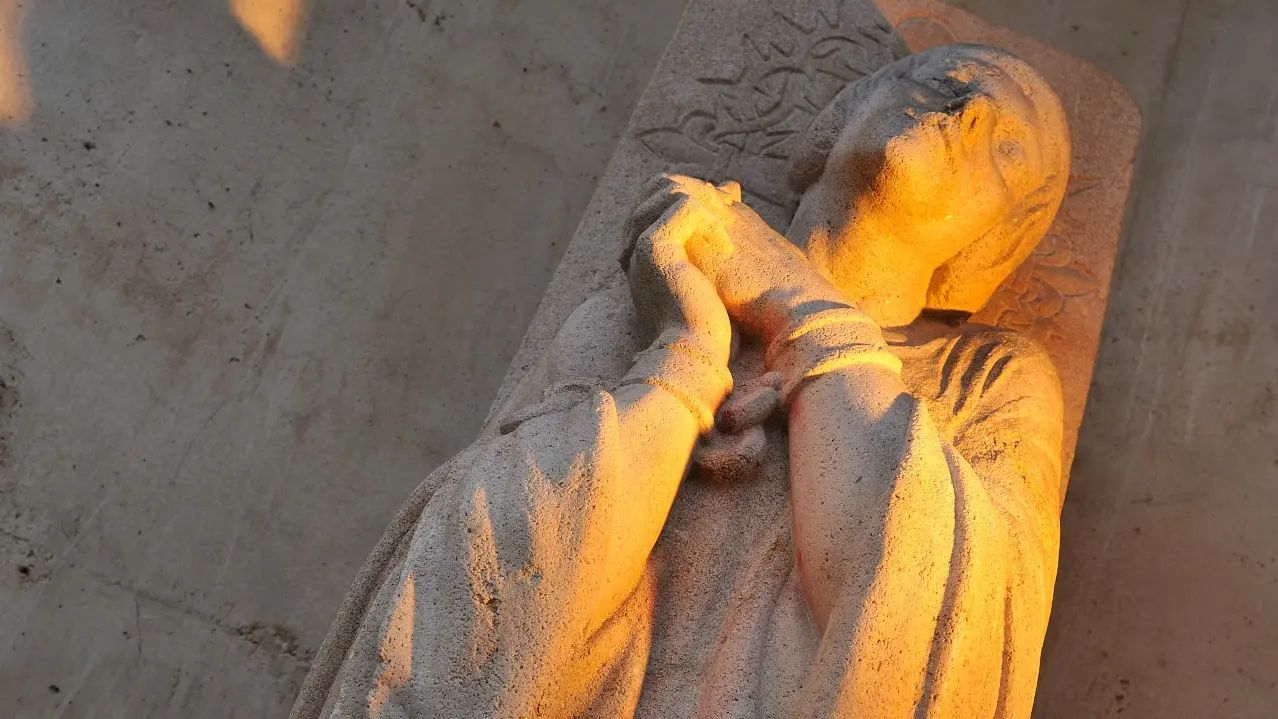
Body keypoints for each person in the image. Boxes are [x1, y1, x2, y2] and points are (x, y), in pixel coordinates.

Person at [291, 43, 1070, 719]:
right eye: (947, 83)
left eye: (1008, 149)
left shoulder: (985, 381)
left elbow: (941, 618)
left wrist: (799, 307)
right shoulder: (650, 299)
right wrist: (686, 354)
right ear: (839, 116)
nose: (969, 113)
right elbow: (488, 566)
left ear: (988, 248)